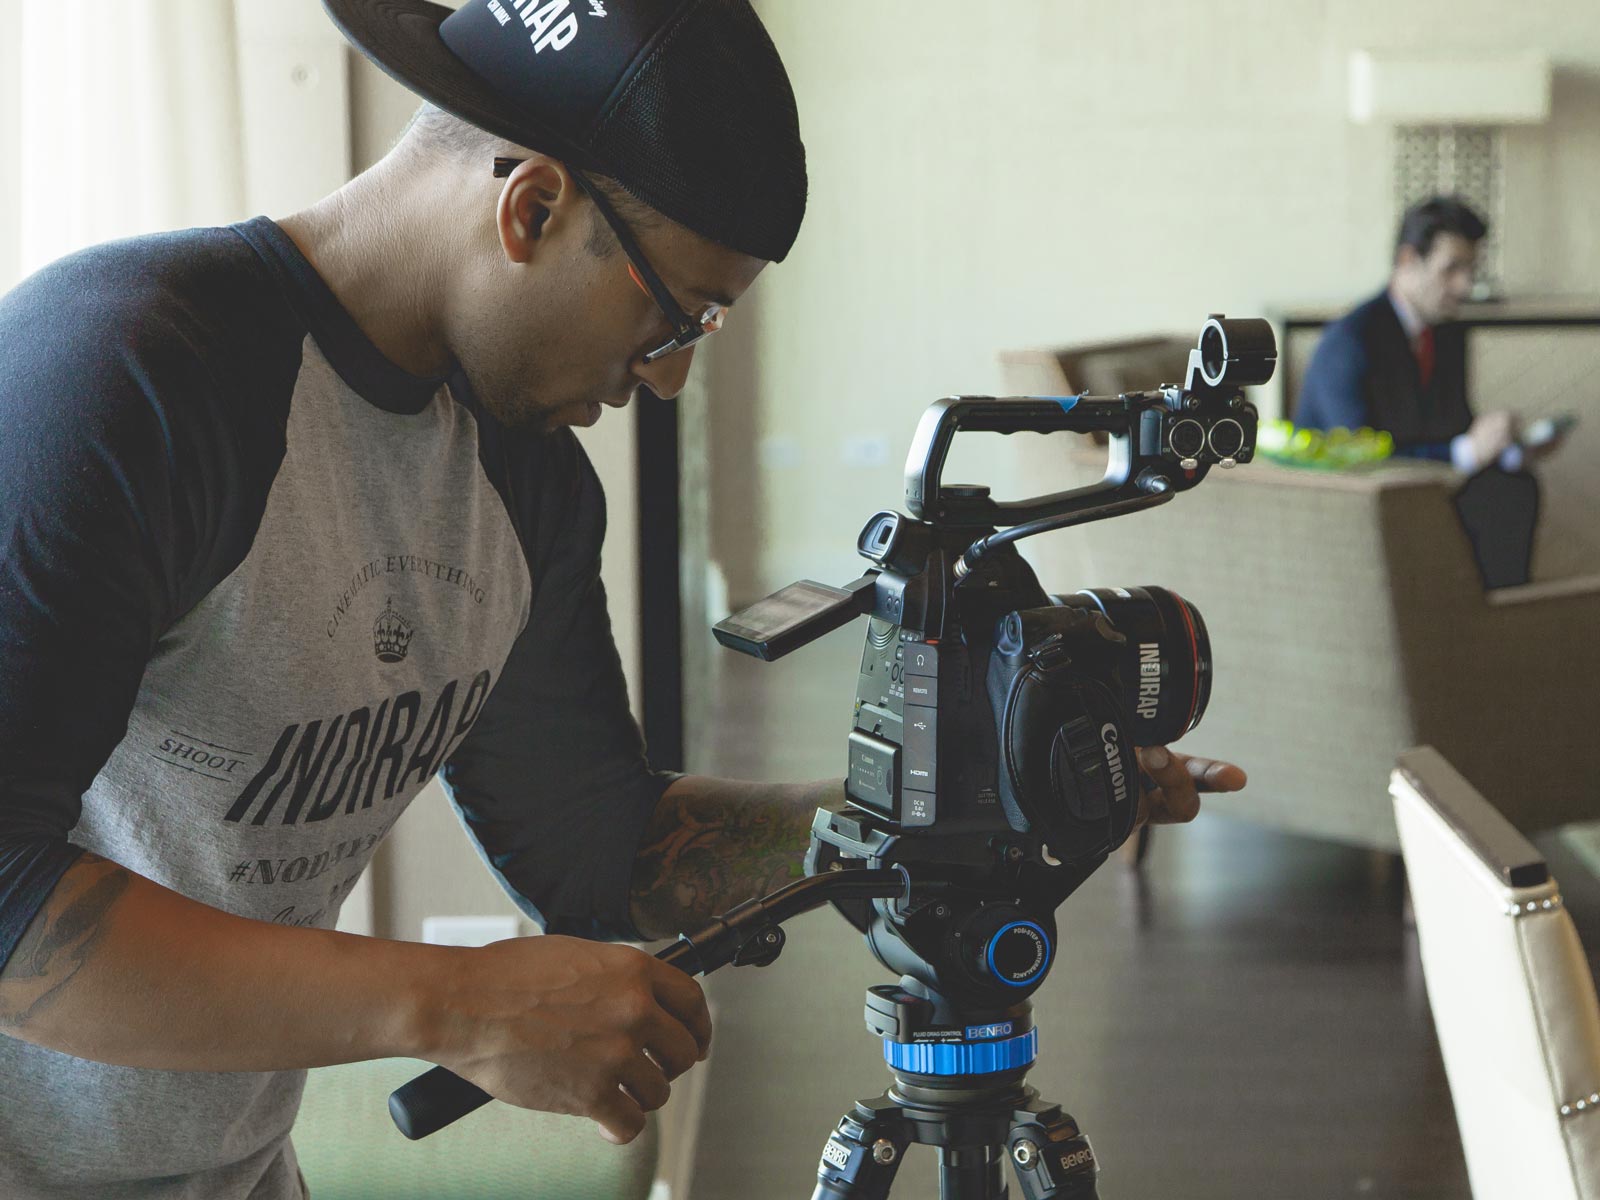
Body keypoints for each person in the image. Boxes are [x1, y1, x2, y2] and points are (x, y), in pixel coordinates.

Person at [0, 2, 1245, 1196]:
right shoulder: (130, 382)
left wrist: (961, 802)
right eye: (678, 314)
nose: (670, 378)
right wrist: (450, 1001)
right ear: (532, 206)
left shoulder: (523, 480)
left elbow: (600, 848)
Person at [1296, 195, 1564, 585]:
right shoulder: (1350, 341)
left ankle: (1498, 629)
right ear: (1407, 261)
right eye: (1452, 269)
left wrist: (1507, 450)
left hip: (1424, 492)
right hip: (1358, 506)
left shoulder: (1448, 334)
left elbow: (1456, 427)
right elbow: (1357, 458)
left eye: (1471, 269)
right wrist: (1468, 451)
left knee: (1513, 487)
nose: (1465, 285)